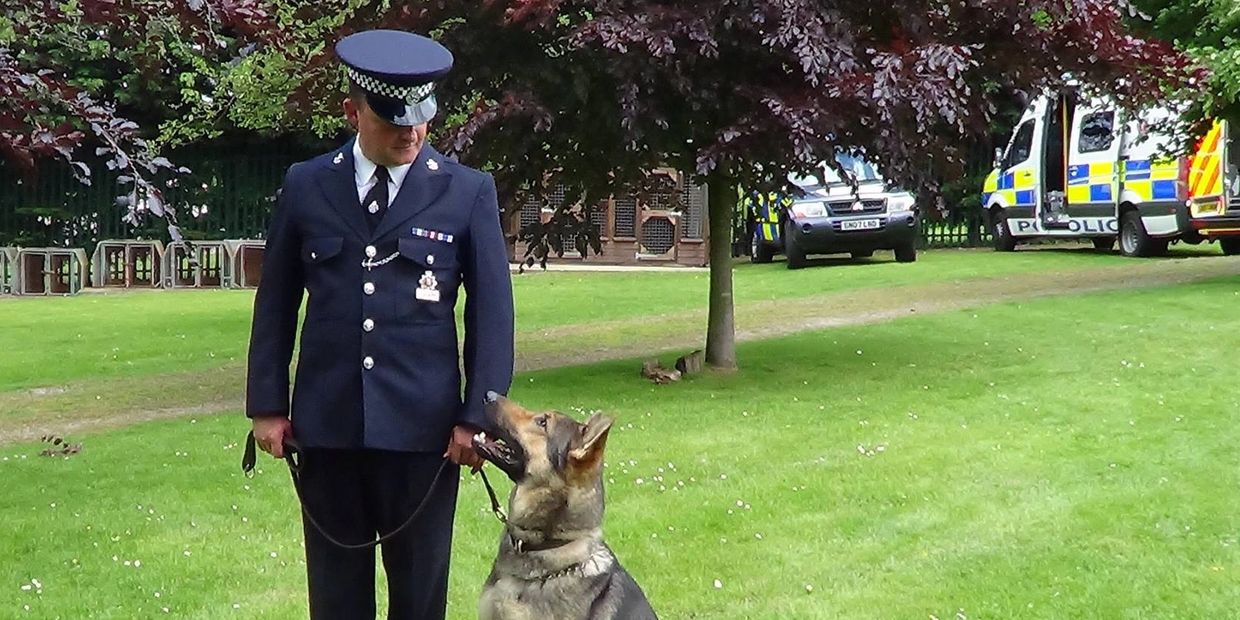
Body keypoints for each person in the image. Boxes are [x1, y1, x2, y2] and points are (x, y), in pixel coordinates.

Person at [244, 29, 515, 619]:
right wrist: (268, 403)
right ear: (352, 111)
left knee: (419, 599)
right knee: (336, 598)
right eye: (394, 120)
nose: (411, 133)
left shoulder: (466, 192)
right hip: (328, 428)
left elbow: (493, 314)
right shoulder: (307, 184)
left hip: (425, 436)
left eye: (421, 118)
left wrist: (478, 418)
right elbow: (276, 302)